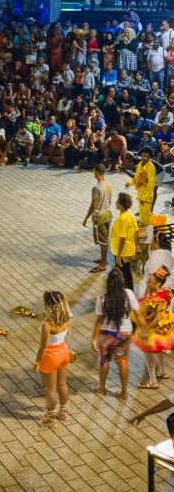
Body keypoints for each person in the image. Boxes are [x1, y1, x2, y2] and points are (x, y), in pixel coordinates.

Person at [92, 266, 139, 399]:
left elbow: (99, 320)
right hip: (124, 334)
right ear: (121, 280)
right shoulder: (128, 294)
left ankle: (102, 388)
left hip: (107, 334)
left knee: (104, 361)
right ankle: (124, 392)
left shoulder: (102, 298)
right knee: (122, 362)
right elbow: (137, 311)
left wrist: (94, 339)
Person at [32, 291, 72, 427]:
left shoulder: (47, 325)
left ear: (48, 305)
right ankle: (64, 412)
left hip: (50, 356)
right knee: (62, 385)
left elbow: (43, 347)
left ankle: (50, 419)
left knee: (50, 389)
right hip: (63, 352)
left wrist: (37, 362)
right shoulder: (67, 318)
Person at [82, 163, 113, 273]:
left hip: (100, 216)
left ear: (96, 172)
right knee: (104, 239)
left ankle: (103, 264)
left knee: (102, 240)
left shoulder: (96, 188)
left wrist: (86, 217)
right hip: (108, 214)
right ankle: (103, 259)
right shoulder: (108, 184)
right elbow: (109, 200)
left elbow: (93, 205)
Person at [111, 192, 139, 290]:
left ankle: (124, 294)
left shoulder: (122, 219)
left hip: (122, 252)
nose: (116, 203)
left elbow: (122, 239)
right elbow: (136, 231)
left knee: (122, 275)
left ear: (122, 205)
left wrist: (118, 257)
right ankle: (128, 292)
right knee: (125, 273)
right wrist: (136, 245)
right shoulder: (129, 214)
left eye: (118, 202)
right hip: (127, 249)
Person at [128, 147, 158, 228]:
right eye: (143, 156)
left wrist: (144, 197)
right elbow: (137, 177)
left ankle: (148, 233)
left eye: (146, 156)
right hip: (140, 192)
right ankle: (143, 225)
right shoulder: (140, 165)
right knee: (141, 212)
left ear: (150, 157)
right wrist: (130, 183)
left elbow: (151, 184)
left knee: (146, 215)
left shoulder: (151, 168)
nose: (144, 158)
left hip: (146, 196)